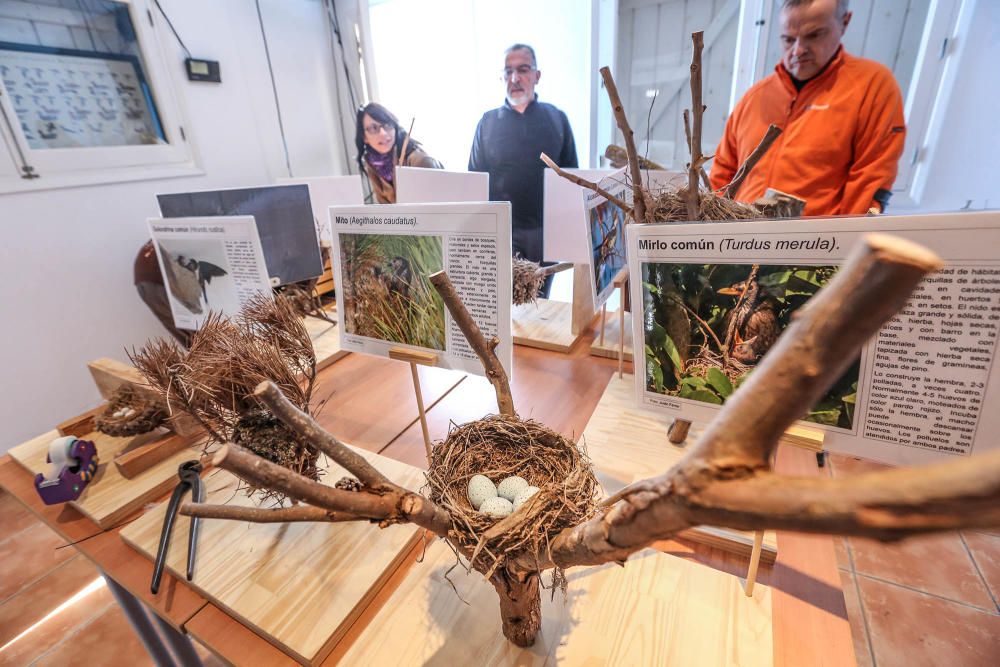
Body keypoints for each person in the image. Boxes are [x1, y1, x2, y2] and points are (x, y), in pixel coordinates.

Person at [710, 0, 906, 216]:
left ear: (844, 23)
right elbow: (722, 175)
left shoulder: (872, 87)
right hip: (739, 242)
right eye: (788, 39)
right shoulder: (754, 97)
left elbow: (870, 181)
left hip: (815, 244)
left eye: (814, 35)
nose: (798, 51)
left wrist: (845, 243)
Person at [469, 44, 577, 263]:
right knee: (506, 296)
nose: (515, 78)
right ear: (502, 78)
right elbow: (474, 181)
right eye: (508, 72)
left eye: (523, 69)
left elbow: (572, 178)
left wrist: (569, 233)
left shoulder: (557, 119)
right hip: (502, 232)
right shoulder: (487, 123)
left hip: (546, 232)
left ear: (537, 76)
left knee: (542, 297)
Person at [356, 102, 442, 204]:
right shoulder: (373, 164)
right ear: (364, 137)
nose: (383, 133)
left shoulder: (419, 162)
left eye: (387, 125)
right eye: (373, 128)